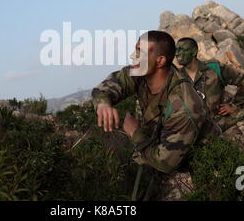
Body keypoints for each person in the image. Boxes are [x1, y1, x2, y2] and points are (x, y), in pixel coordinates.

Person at [91, 30, 213, 199]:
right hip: (164, 148)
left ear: (160, 60)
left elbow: (165, 163)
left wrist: (135, 133)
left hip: (206, 162)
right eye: (135, 49)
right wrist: (103, 103)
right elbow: (107, 86)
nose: (133, 56)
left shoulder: (183, 104)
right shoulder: (141, 73)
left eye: (140, 52)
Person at [175, 37, 244, 131]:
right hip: (193, 133)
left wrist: (234, 105)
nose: (177, 53)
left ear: (194, 51)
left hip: (221, 126)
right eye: (177, 50)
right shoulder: (175, 77)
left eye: (183, 49)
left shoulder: (214, 67)